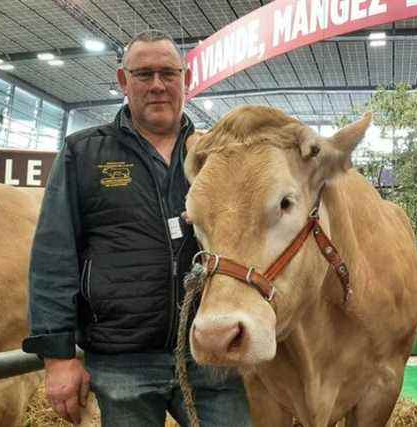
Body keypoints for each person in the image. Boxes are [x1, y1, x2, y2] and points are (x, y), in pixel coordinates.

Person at [22, 29, 251, 426]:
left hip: (208, 355)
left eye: (168, 73)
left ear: (187, 79)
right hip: (121, 359)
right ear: (123, 82)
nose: (158, 85)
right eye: (144, 75)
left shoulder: (220, 155)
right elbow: (53, 258)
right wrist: (58, 358)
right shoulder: (84, 152)